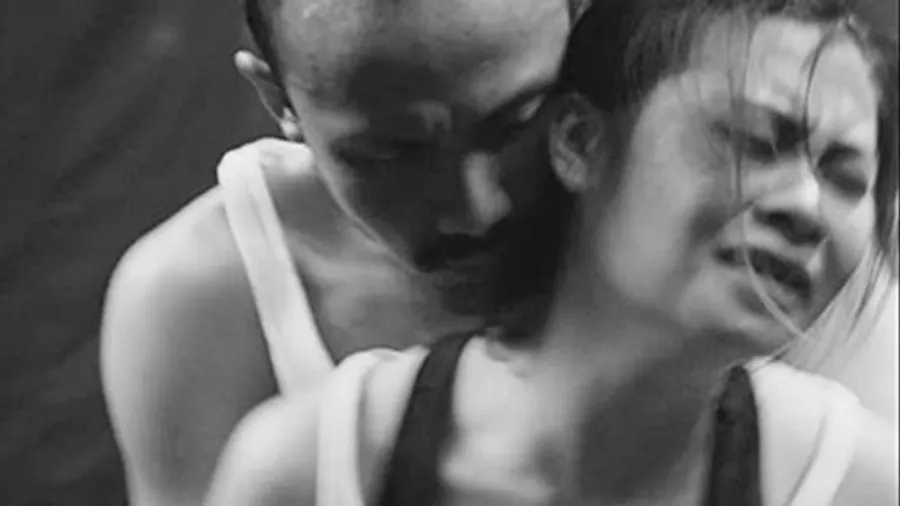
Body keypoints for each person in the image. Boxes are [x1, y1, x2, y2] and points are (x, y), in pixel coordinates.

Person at [205, 0, 899, 504]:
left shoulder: (854, 465)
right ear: (581, 138)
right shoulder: (299, 457)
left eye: (515, 122)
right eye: (750, 140)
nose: (479, 207)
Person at [100, 0, 581, 505]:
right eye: (391, 154)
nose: (476, 209)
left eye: (517, 122)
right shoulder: (202, 294)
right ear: (278, 100)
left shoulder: (635, 192)